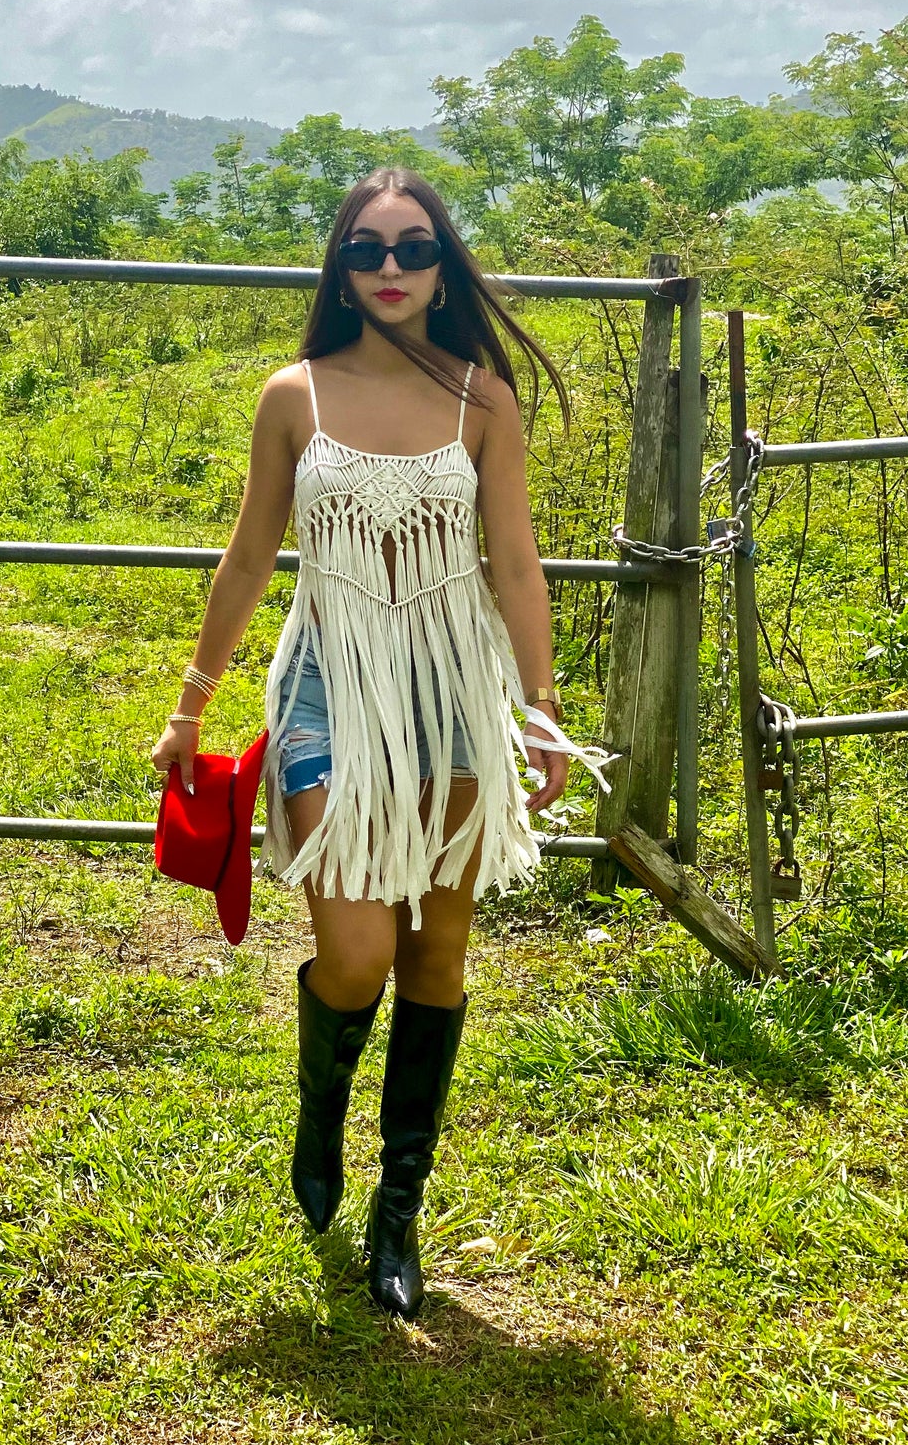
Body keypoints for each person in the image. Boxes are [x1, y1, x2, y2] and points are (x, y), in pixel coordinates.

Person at [150, 166, 610, 1318]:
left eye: (413, 249)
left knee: (436, 957)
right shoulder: (291, 394)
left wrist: (538, 703)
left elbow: (513, 561)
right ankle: (321, 1104)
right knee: (355, 955)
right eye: (367, 250)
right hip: (328, 684)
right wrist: (191, 704)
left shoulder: (481, 398)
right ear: (339, 270)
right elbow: (252, 552)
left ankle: (395, 1212)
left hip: (452, 689)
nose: (392, 269)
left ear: (443, 266)